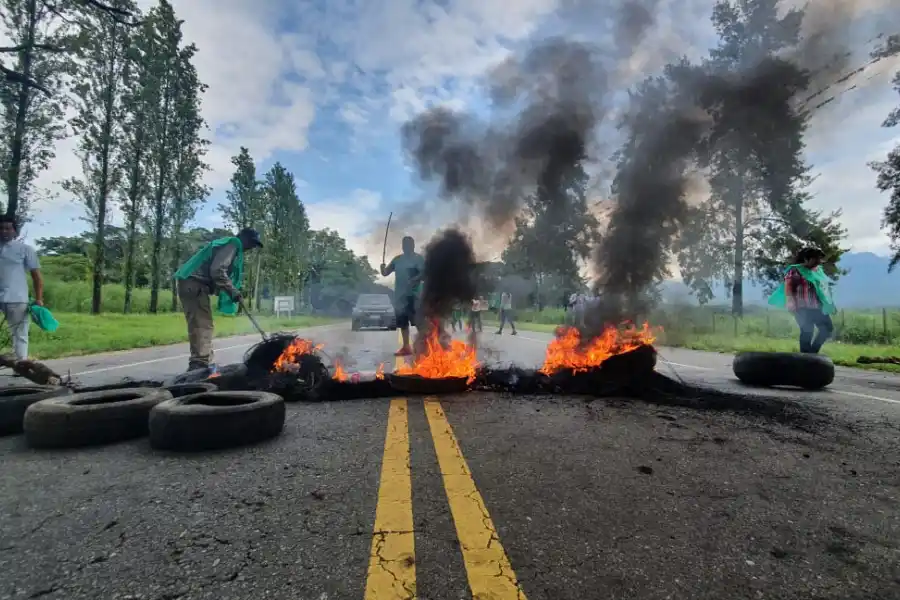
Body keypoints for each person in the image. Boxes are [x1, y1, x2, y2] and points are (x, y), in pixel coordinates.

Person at [173, 228, 263, 371]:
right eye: (252, 243)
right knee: (201, 324)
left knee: (204, 323)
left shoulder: (230, 245)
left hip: (193, 283)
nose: (251, 248)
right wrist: (233, 291)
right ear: (244, 238)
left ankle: (205, 361)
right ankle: (199, 364)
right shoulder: (233, 244)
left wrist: (232, 291)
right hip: (193, 283)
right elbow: (217, 271)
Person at [769, 247, 836, 354]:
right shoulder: (795, 270)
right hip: (801, 307)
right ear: (806, 259)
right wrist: (790, 302)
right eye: (815, 259)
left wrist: (828, 303)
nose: (818, 262)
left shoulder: (817, 271)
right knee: (807, 331)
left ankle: (812, 354)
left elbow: (823, 288)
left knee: (827, 329)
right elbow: (789, 287)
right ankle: (806, 358)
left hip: (817, 306)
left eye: (819, 259)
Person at [0, 215, 43, 360]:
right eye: (1, 228)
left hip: (17, 297)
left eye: (8, 228)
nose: (4, 231)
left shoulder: (25, 249)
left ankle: (21, 365)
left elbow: (36, 276)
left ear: (14, 231)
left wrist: (39, 298)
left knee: (19, 333)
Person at [381, 235, 425, 356]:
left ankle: (424, 345)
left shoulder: (418, 259)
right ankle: (406, 347)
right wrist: (382, 269)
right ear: (402, 246)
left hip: (414, 296)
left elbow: (424, 274)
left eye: (409, 244)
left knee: (419, 322)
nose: (407, 246)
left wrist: (415, 279)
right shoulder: (397, 260)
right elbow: (385, 273)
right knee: (403, 322)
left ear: (413, 245)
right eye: (405, 244)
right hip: (400, 297)